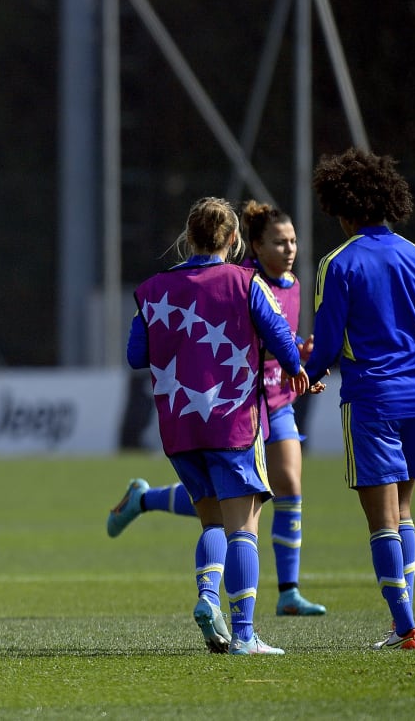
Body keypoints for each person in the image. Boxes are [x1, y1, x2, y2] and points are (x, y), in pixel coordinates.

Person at [108, 200, 328, 618]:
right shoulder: (245, 282)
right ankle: (245, 632)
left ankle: (209, 597)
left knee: (212, 520)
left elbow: (137, 356)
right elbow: (281, 339)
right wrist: (297, 368)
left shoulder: (153, 288)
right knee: (242, 525)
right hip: (233, 419)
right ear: (234, 239)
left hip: (179, 425)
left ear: (188, 237)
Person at [305, 148, 415, 651]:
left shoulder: (338, 263)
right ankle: (405, 624)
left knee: (382, 519)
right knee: (404, 513)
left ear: (341, 207)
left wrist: (306, 374)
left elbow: (328, 342)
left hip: (372, 398)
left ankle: (405, 627)